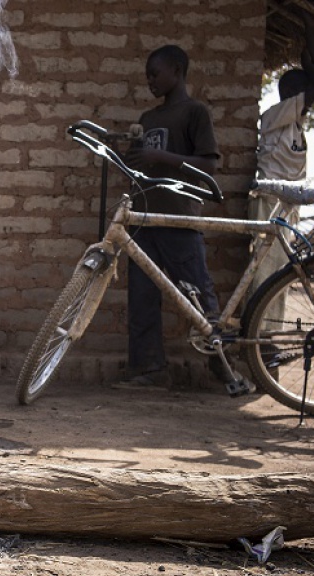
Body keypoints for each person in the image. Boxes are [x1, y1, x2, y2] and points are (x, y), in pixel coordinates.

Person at [115, 44, 221, 390]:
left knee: (197, 293)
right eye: (147, 75)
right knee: (142, 297)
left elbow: (208, 164)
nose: (150, 80)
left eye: (155, 73)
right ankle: (150, 369)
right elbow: (140, 163)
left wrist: (162, 157)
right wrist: (133, 157)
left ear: (176, 71)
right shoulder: (148, 119)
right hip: (146, 219)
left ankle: (222, 367)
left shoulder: (195, 113)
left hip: (179, 218)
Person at [250, 11, 314, 297]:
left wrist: (311, 58)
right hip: (268, 201)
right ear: (294, 94)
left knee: (281, 271)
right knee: (263, 270)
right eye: (305, 93)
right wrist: (309, 28)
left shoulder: (295, 122)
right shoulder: (277, 116)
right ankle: (259, 331)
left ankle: (268, 334)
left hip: (286, 204)